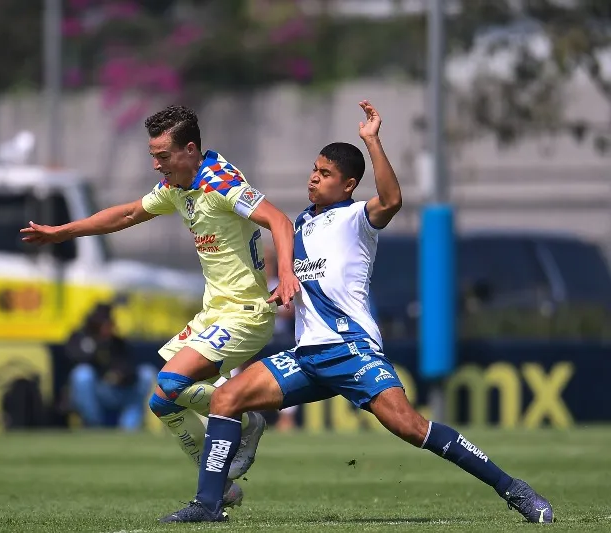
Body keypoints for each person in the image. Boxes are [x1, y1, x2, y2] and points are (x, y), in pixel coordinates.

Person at [160, 101, 554, 524]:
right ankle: (208, 505)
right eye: (314, 168)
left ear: (348, 185)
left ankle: (514, 489)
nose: (314, 176)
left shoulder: (356, 218)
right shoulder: (301, 223)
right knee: (226, 397)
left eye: (326, 173)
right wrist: (281, 288)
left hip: (351, 351)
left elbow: (392, 199)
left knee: (410, 427)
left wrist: (372, 141)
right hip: (308, 356)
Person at [21, 105, 300, 508]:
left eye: (162, 156)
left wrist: (287, 274)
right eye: (153, 156)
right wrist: (64, 232)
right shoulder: (177, 186)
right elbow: (130, 212)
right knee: (161, 401)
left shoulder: (221, 183)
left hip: (246, 312)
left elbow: (279, 220)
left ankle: (242, 414)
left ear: (189, 149)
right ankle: (221, 485)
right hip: (214, 312)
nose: (156, 165)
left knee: (172, 382)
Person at [66, 303, 156, 431]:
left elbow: (129, 368)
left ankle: (128, 429)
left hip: (117, 390)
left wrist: (119, 374)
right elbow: (74, 358)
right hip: (94, 391)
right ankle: (94, 427)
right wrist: (96, 346)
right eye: (103, 324)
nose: (108, 327)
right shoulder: (80, 338)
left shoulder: (117, 343)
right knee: (82, 374)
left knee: (146, 372)